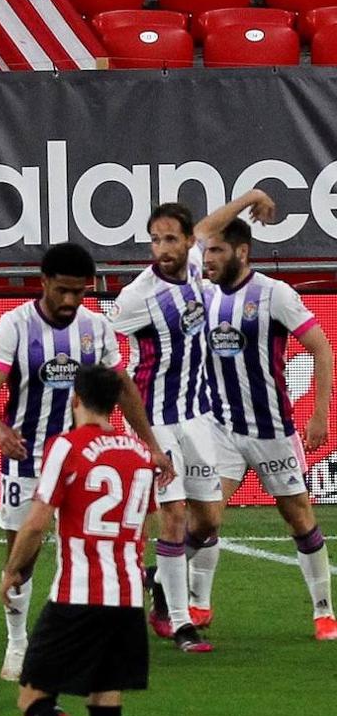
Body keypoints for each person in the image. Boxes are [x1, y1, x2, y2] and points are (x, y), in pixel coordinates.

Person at [0, 244, 173, 682]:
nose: (69, 301)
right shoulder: (14, 326)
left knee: (96, 549)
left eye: (79, 293)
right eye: (62, 291)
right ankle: (17, 643)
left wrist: (152, 445)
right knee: (20, 555)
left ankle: (89, 637)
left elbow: (122, 388)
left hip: (85, 459)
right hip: (26, 459)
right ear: (43, 282)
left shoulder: (96, 328)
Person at [194, 189, 336, 640]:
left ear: (242, 251)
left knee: (299, 517)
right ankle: (197, 606)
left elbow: (321, 348)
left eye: (218, 250)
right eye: (208, 251)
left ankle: (323, 609)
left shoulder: (275, 294)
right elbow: (198, 231)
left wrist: (319, 415)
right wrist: (250, 196)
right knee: (206, 517)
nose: (208, 256)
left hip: (272, 428)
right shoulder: (204, 288)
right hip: (220, 426)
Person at [0, 364, 156, 716]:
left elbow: (35, 523)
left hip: (78, 594)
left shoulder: (66, 446)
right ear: (117, 404)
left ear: (76, 400)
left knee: (33, 697)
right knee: (107, 704)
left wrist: (12, 569)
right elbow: (144, 527)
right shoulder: (139, 453)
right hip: (127, 596)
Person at [109, 203, 216, 653]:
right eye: (155, 240)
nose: (162, 249)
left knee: (208, 522)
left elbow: (213, 224)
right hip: (155, 419)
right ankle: (178, 621)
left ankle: (156, 580)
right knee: (172, 516)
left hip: (198, 412)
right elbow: (107, 352)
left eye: (170, 239)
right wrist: (149, 442)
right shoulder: (138, 297)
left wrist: (249, 197)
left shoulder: (195, 265)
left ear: (188, 241)